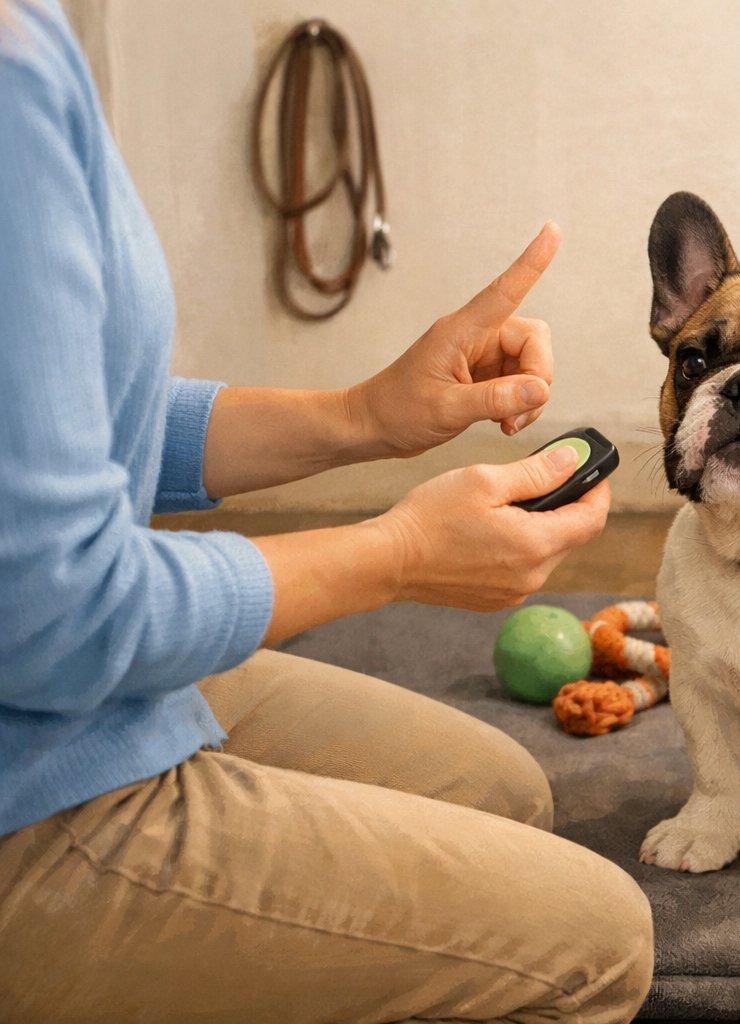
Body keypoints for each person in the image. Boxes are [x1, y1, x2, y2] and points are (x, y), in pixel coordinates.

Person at [0, 3, 652, 1021]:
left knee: (500, 790)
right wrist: (395, 551)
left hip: (69, 693)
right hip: (33, 777)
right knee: (598, 944)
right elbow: (62, 612)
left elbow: (71, 422)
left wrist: (365, 416)